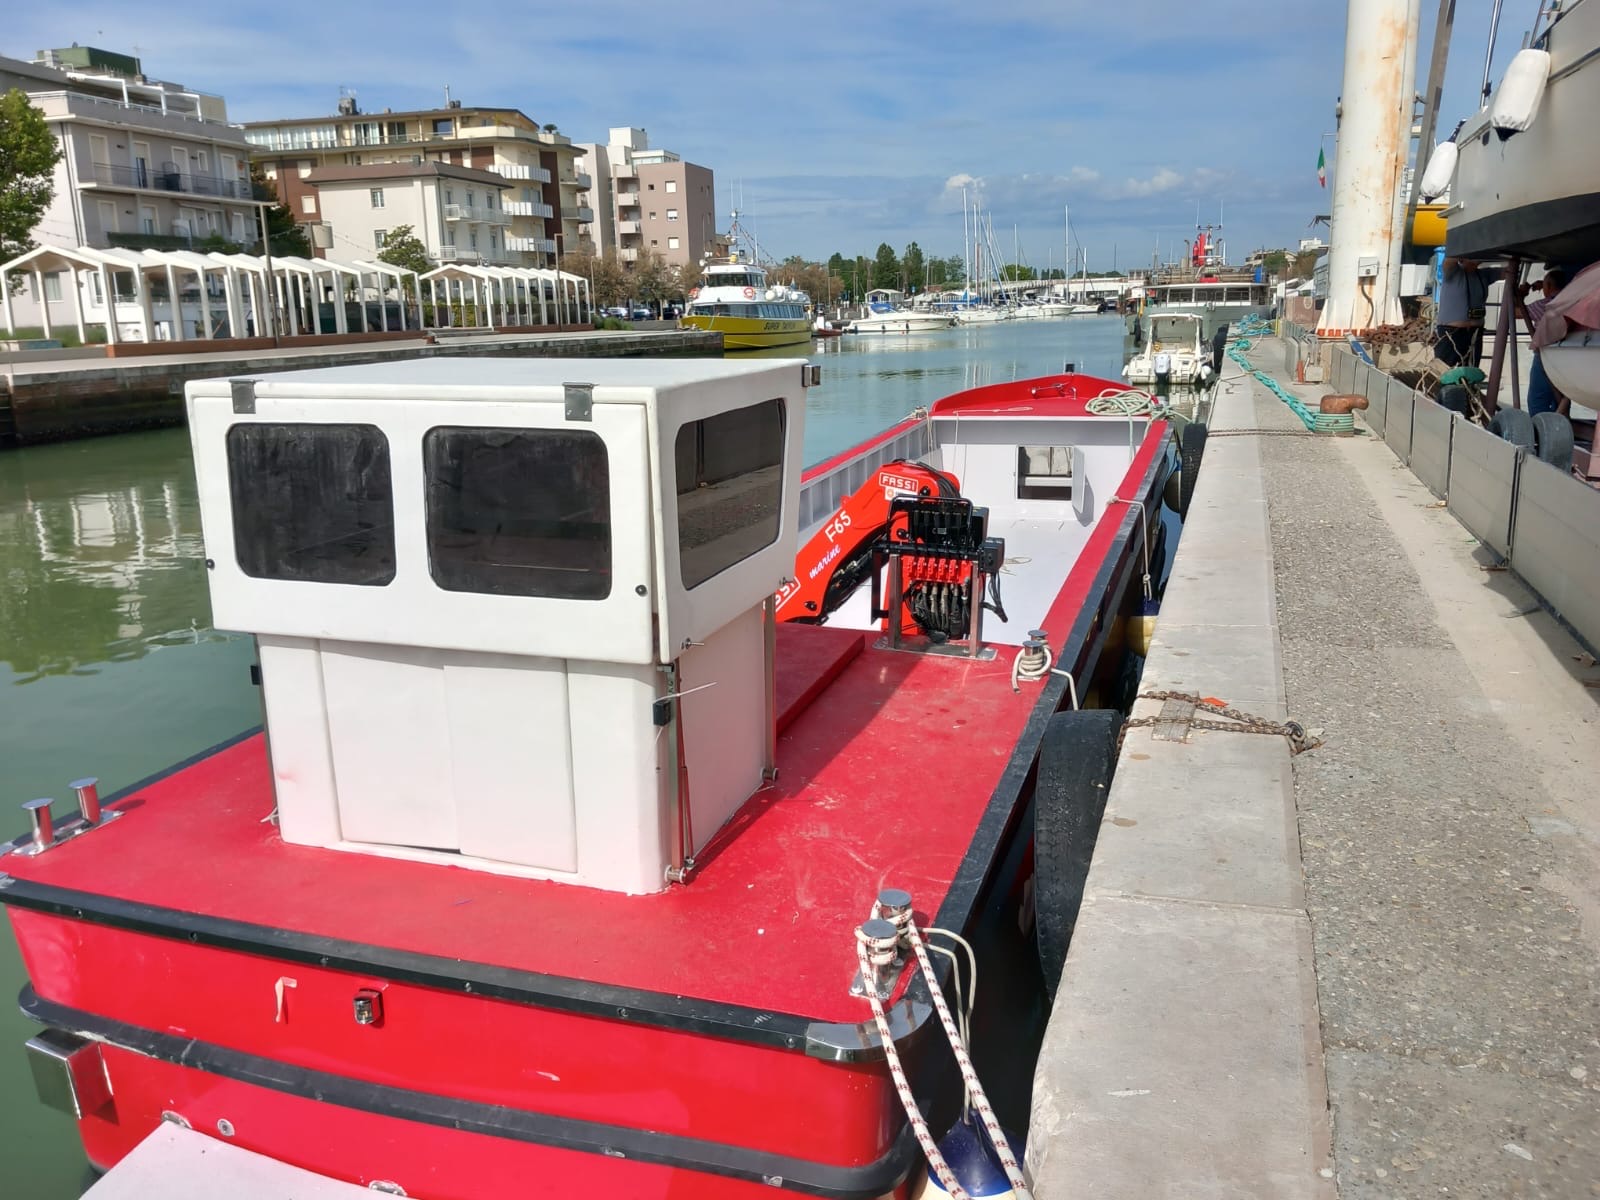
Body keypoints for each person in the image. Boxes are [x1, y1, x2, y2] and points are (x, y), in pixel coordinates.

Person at [1516, 268, 1569, 416]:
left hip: (1546, 354)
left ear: (1549, 287)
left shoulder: (1544, 305)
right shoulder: (1571, 301)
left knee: (1538, 399)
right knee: (1561, 397)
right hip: (1568, 353)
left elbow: (1515, 312)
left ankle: (1542, 431)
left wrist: (1521, 294)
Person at [1435, 257, 1488, 367]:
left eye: (1477, 261)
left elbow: (1508, 272)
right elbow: (1448, 261)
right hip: (1451, 332)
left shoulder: (1482, 275)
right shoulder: (1453, 271)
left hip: (1474, 332)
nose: (1475, 263)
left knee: (1471, 370)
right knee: (1445, 370)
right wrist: (1466, 250)